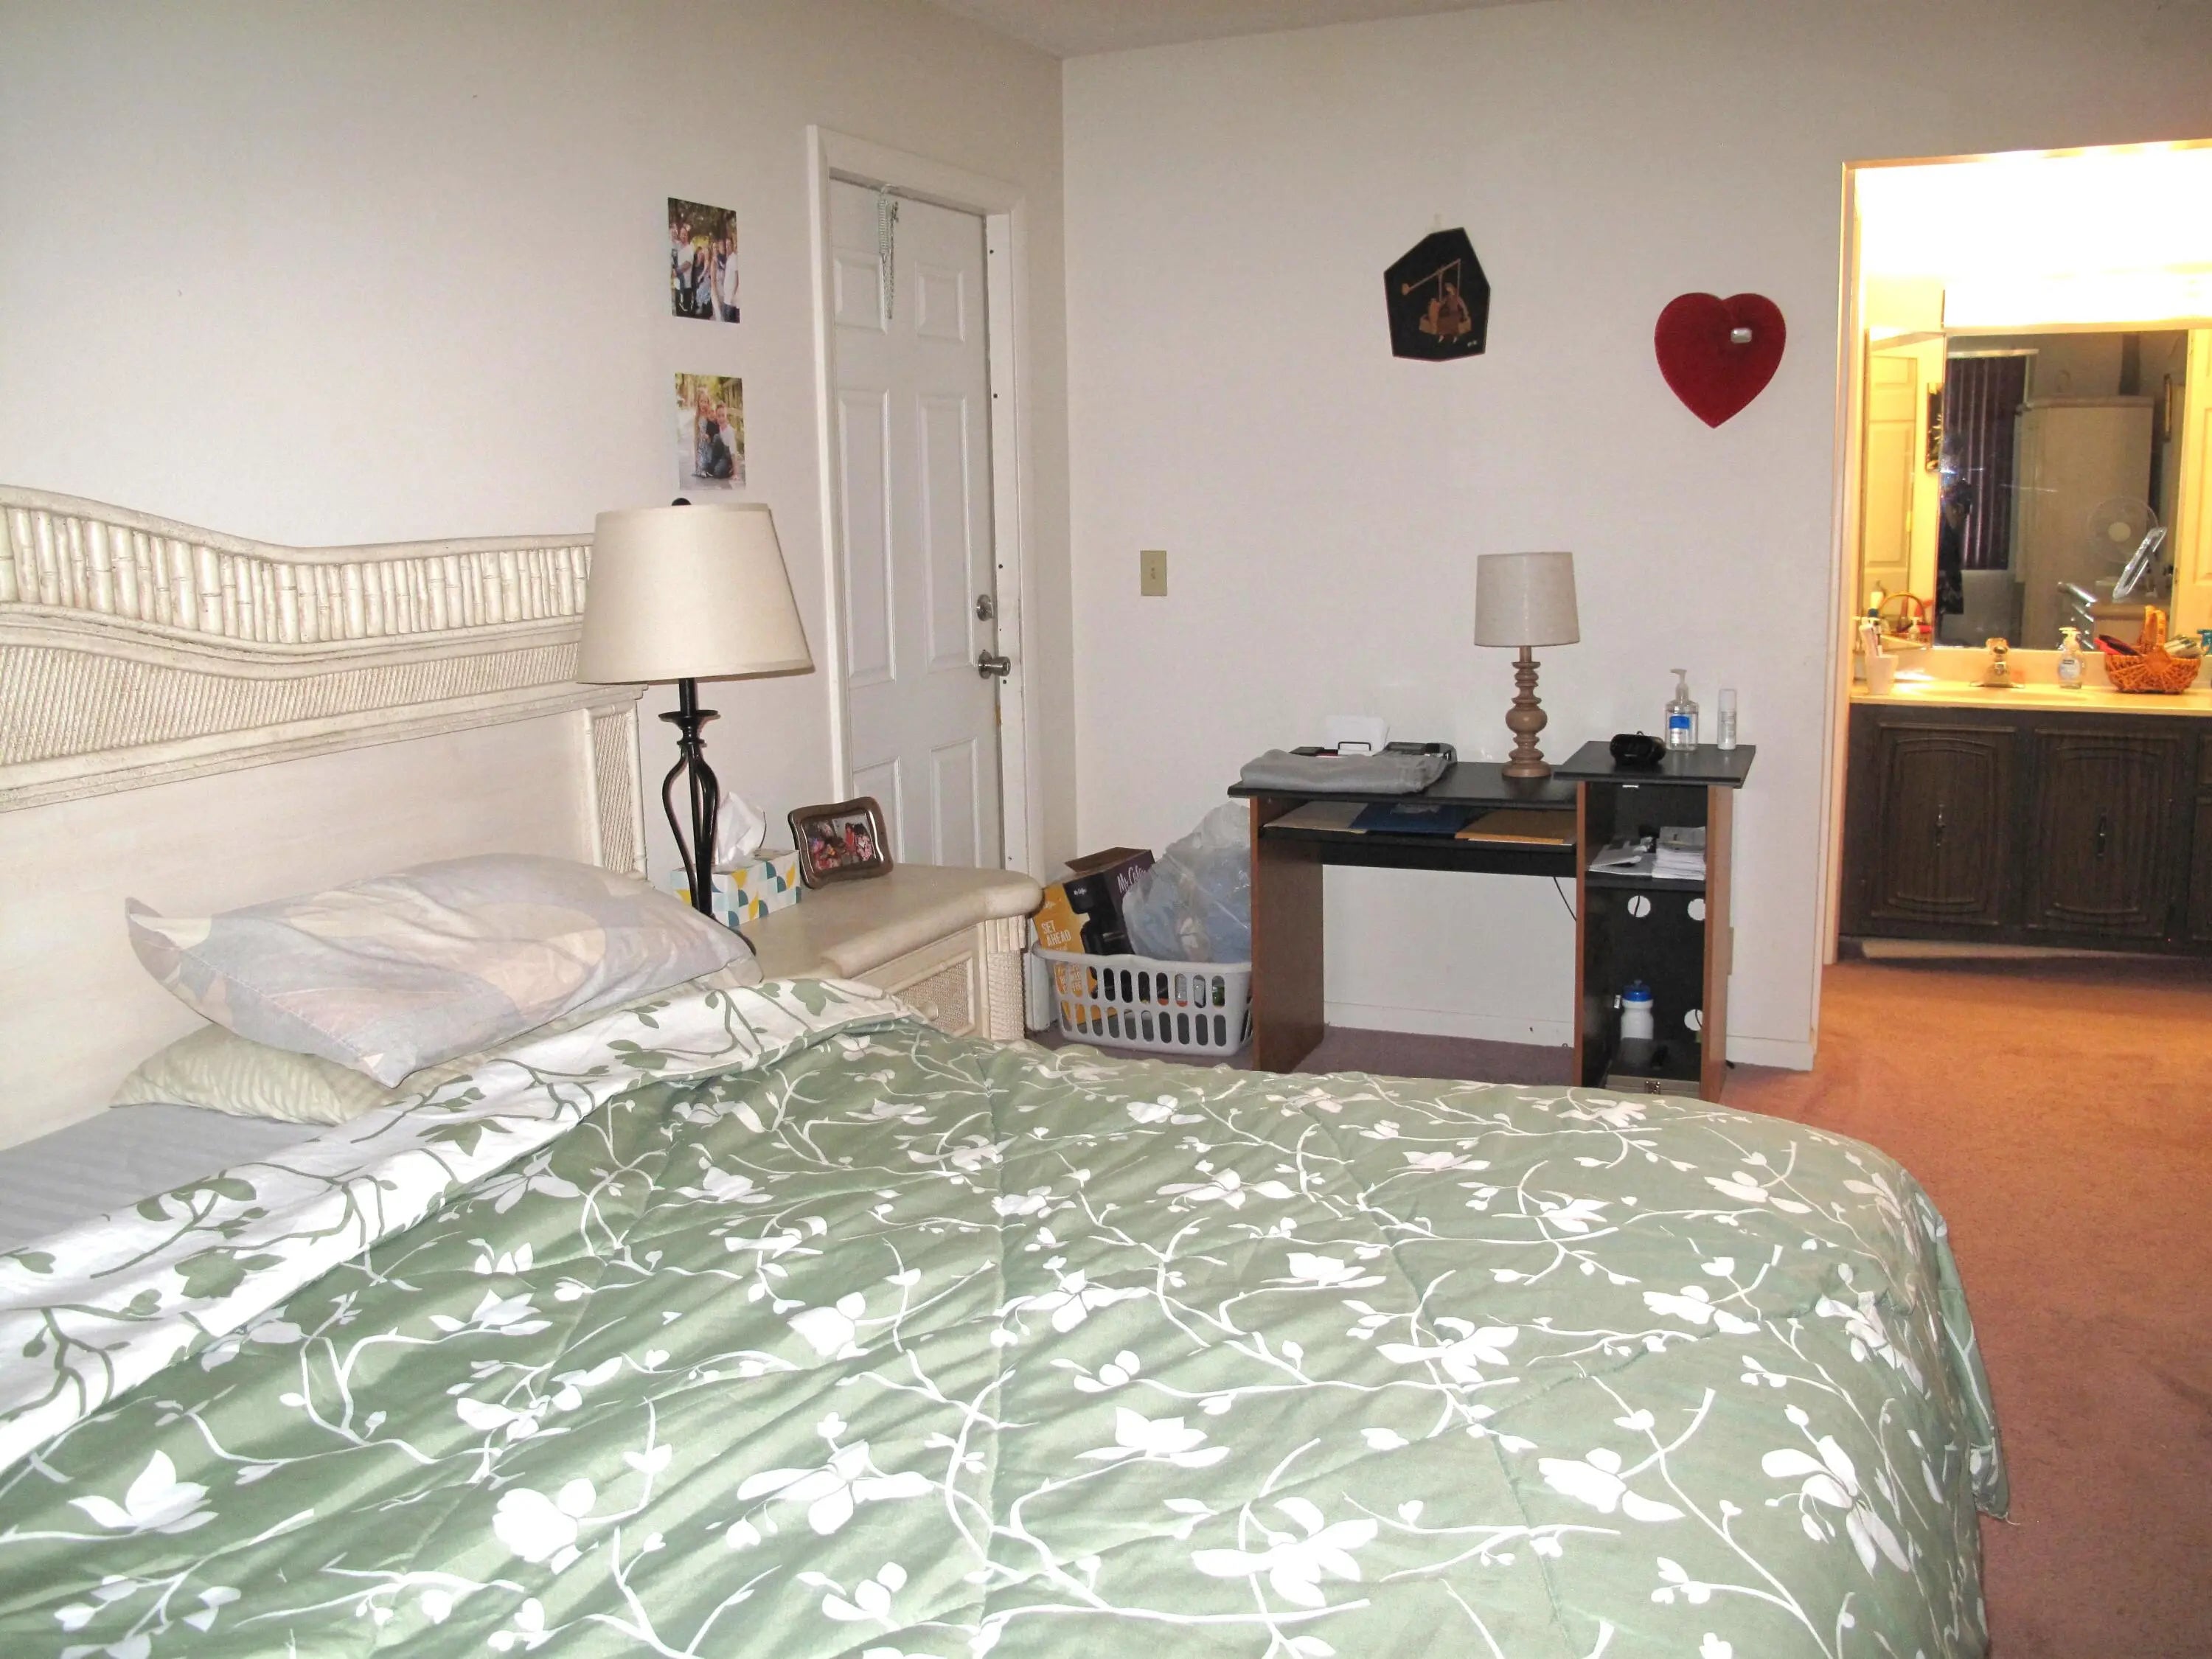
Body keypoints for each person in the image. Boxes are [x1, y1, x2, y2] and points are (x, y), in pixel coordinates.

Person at [714, 233, 740, 322]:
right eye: (726, 245)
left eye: (729, 245)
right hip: (726, 297)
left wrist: (734, 295)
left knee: (730, 322)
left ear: (732, 245)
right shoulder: (728, 258)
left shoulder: (735, 258)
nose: (727, 247)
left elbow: (737, 277)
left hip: (731, 298)